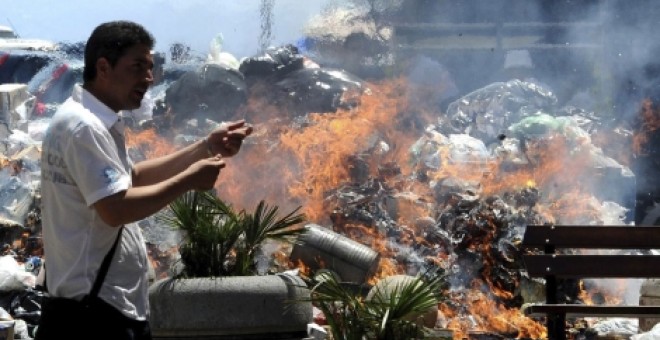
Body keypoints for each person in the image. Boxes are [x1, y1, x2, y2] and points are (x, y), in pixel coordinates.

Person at [36, 21, 252, 340]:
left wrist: (205, 147)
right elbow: (115, 209)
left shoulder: (90, 118)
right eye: (137, 67)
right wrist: (189, 181)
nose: (148, 79)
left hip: (98, 308)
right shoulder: (85, 128)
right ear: (104, 67)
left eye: (150, 68)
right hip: (94, 316)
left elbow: (130, 179)